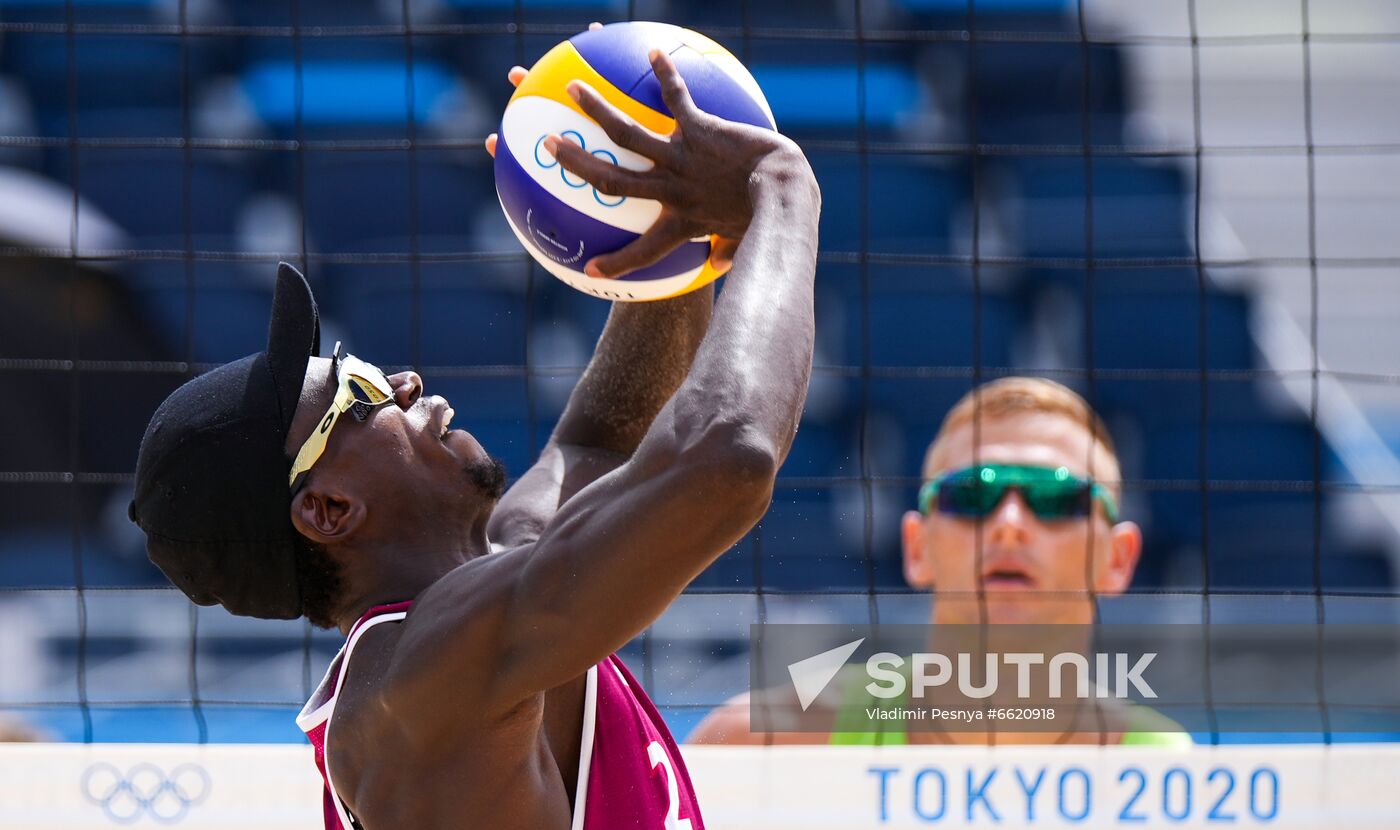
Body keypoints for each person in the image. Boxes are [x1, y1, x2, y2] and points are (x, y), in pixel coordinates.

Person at [128, 49, 820, 829]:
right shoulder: (415, 681)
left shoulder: (487, 586)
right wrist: (782, 190)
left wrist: (664, 218)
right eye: (363, 392)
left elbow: (600, 442)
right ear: (327, 508)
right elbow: (729, 452)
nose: (407, 383)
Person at [690, 377, 1190, 747]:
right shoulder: (759, 747)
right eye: (971, 495)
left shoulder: (1176, 782)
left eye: (1058, 499)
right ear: (916, 547)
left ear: (1119, 560)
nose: (1009, 523)